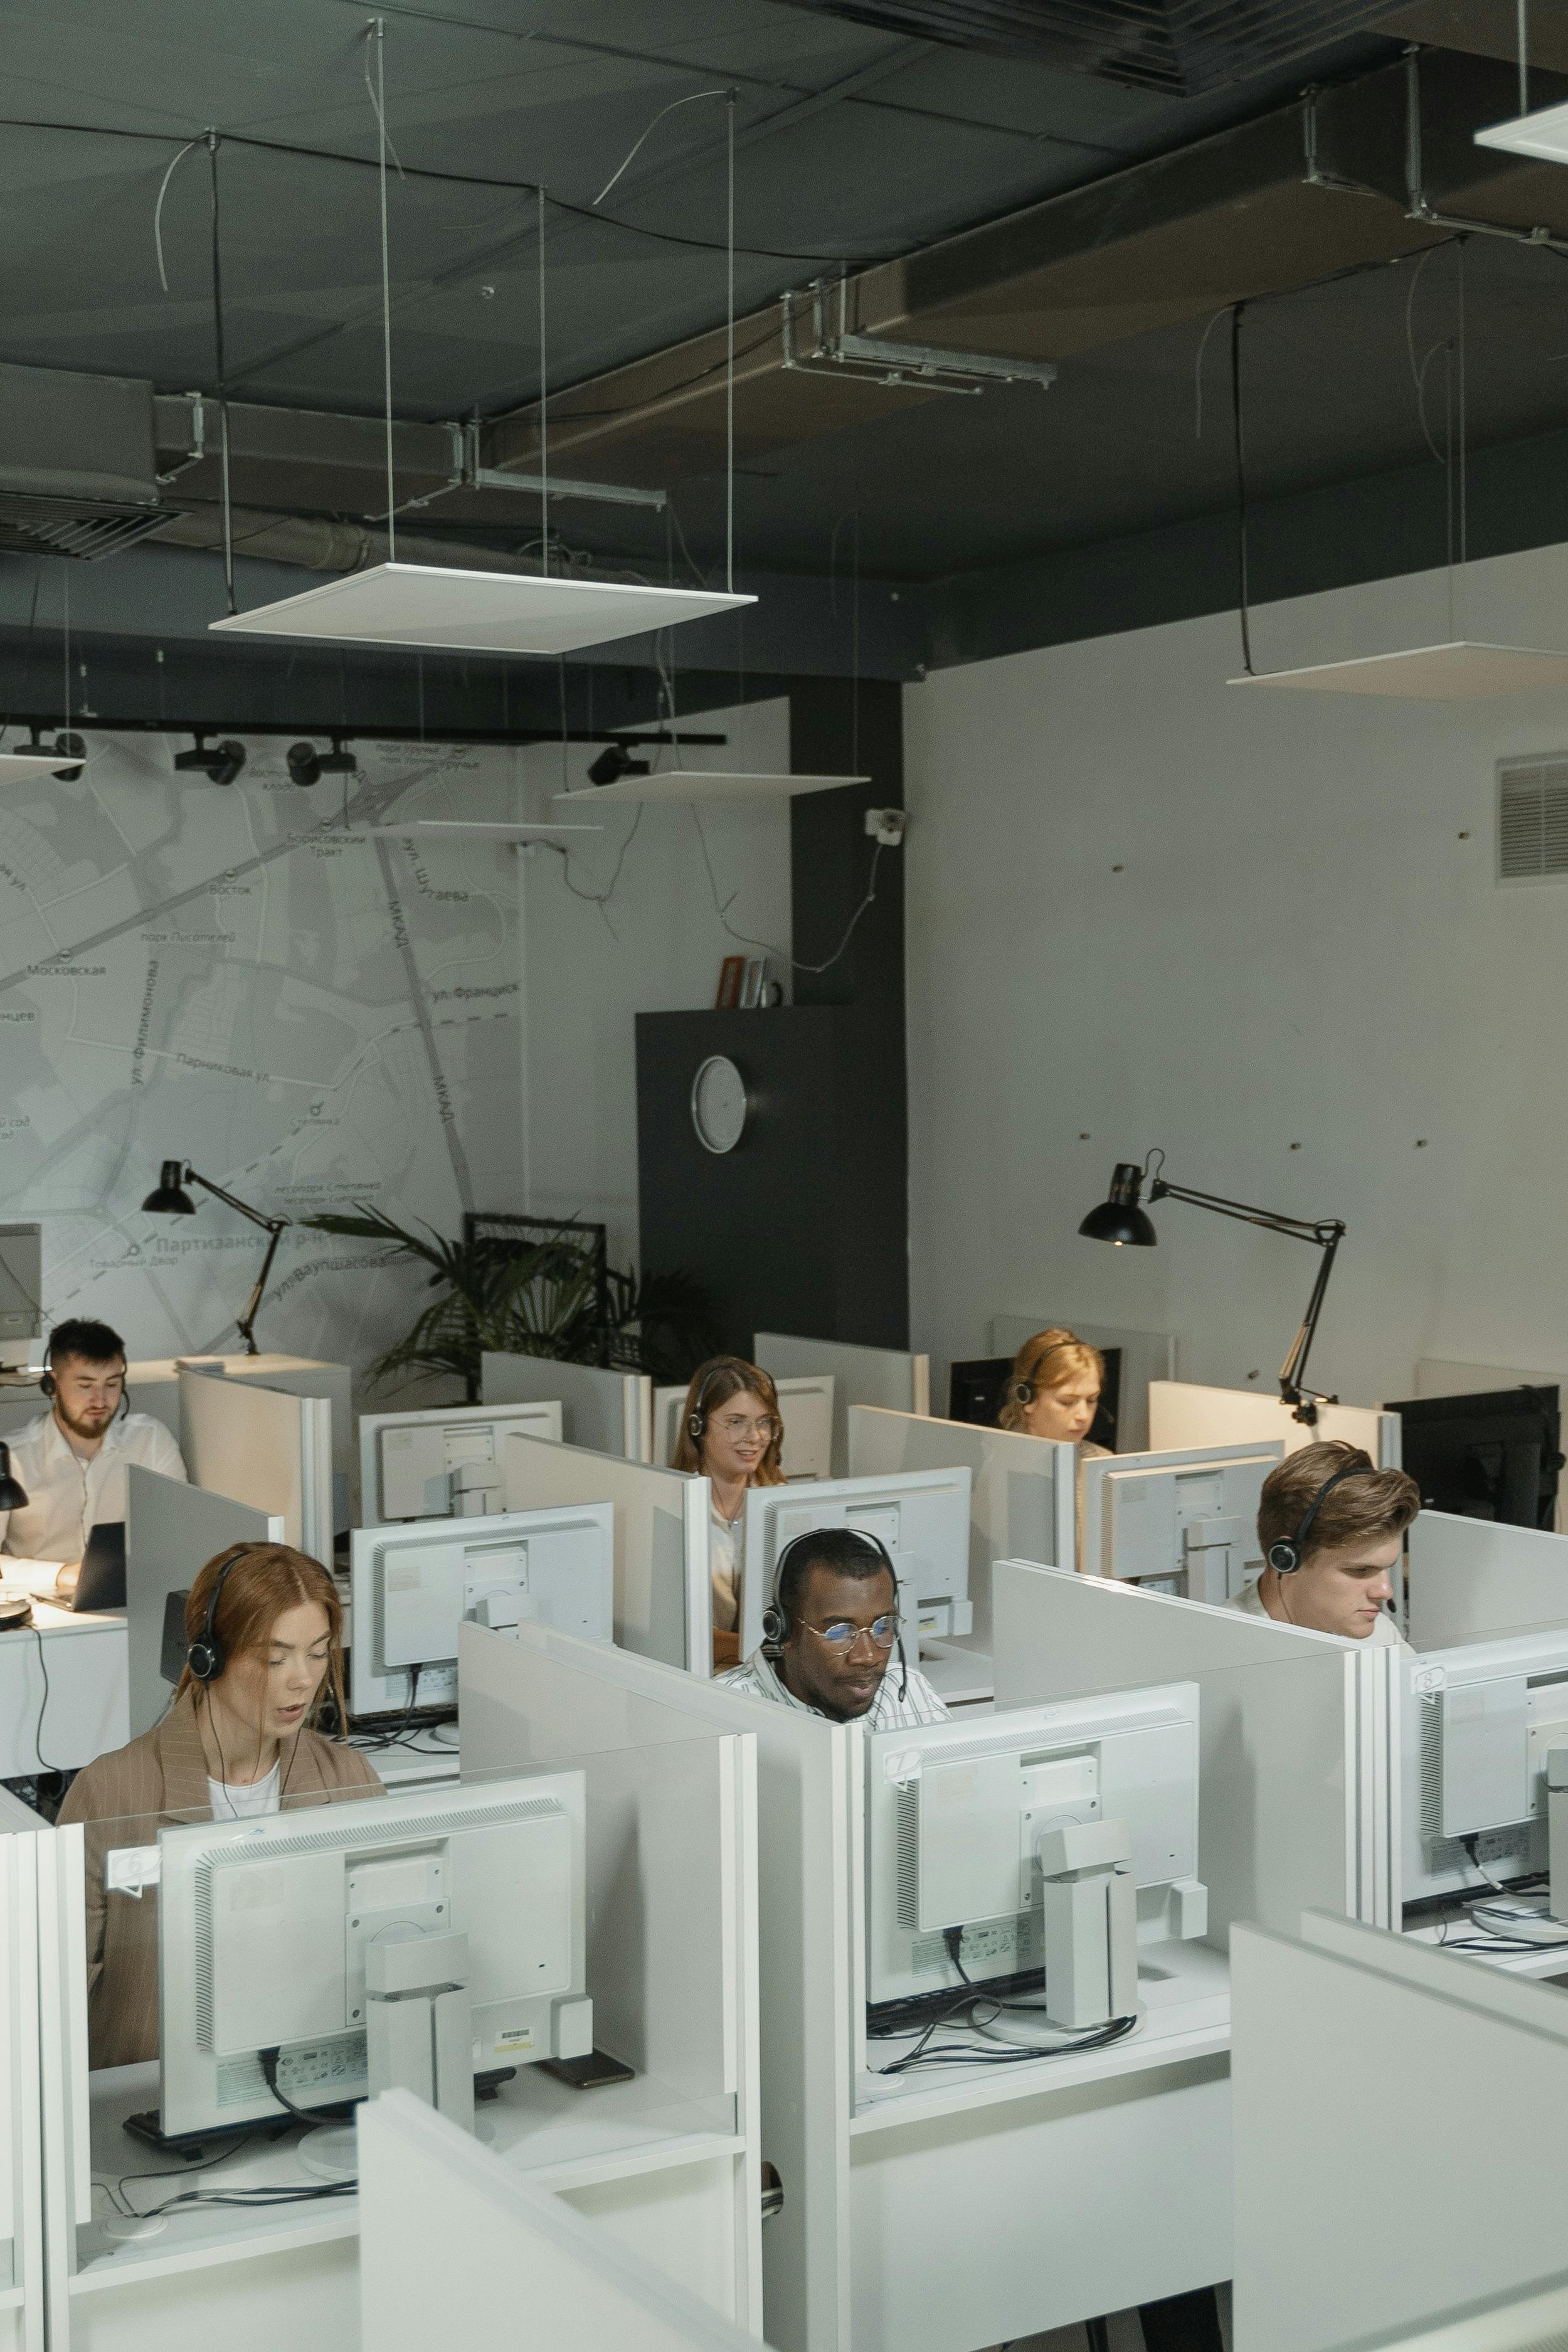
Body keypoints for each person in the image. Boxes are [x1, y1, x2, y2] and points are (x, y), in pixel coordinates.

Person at [58, 1542, 383, 2067]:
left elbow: (384, 1951)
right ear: (208, 1658)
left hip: (310, 2078)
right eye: (275, 1658)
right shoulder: (111, 1793)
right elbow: (55, 1990)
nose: (303, 1678)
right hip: (150, 2089)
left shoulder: (349, 1781)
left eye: (318, 1653)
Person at [0, 1318, 186, 1587]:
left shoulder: (150, 1440)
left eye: (111, 1384)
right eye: (85, 1386)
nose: (100, 1400)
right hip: (41, 1599)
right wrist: (60, 1575)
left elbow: (180, 1532)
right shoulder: (14, 1457)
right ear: (52, 1385)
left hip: (133, 1593)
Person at [718, 1526, 948, 1727]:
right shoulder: (721, 1710)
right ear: (783, 1629)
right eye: (840, 1632)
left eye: (882, 1628)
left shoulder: (911, 1692)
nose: (868, 1657)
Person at [1226, 1441, 1421, 1645]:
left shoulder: (1380, 1635)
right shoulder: (1221, 1652)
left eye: (1386, 1568)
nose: (1385, 1591)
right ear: (1286, 1559)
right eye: (1360, 1571)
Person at [670, 1355, 787, 1670]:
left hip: (769, 1672)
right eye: (736, 1422)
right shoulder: (673, 1507)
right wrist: (778, 1649)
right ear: (698, 1426)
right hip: (697, 1674)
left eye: (764, 1422)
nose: (754, 1437)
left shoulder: (781, 1502)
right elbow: (678, 1632)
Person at [997, 1327, 1111, 1456]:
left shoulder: (1101, 1460)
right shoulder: (996, 1458)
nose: (1084, 1416)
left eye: (1091, 1400)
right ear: (1027, 1397)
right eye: (1067, 1402)